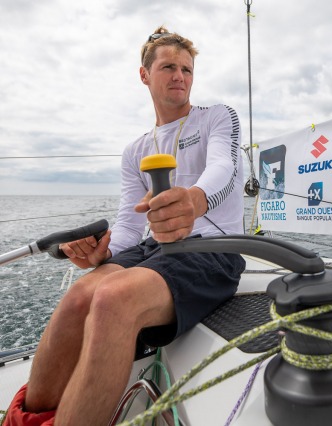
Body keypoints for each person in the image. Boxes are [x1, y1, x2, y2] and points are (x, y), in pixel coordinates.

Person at [4, 25, 246, 425]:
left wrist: (194, 199)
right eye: (169, 66)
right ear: (144, 75)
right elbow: (130, 226)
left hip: (211, 249)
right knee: (78, 297)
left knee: (112, 299)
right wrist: (105, 251)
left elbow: (224, 166)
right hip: (156, 249)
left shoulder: (217, 118)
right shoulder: (135, 150)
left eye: (187, 69)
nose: (180, 76)